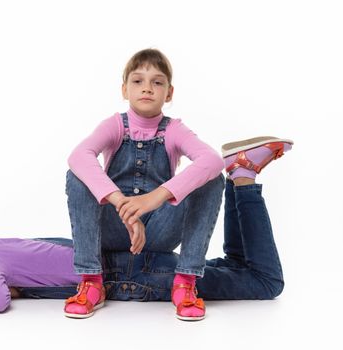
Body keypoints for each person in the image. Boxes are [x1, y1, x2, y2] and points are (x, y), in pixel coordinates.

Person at [0, 136, 293, 321]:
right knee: (234, 265)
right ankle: (235, 174)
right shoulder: (3, 247)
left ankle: (241, 178)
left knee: (265, 283)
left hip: (140, 278)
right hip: (137, 265)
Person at [64, 48, 224, 320]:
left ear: (169, 93)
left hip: (159, 231)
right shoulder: (114, 125)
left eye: (157, 82)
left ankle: (185, 282)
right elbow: (78, 156)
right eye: (138, 81)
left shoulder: (174, 130)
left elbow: (213, 160)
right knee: (76, 174)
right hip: (113, 227)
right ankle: (91, 280)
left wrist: (154, 198)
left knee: (212, 179)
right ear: (124, 89)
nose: (147, 88)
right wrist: (123, 205)